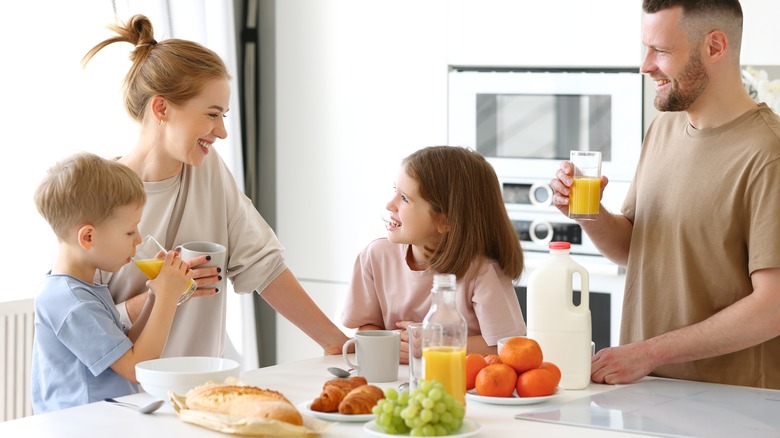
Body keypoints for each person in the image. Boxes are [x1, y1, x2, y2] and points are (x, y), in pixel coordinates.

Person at [81, 15, 349, 358]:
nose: (221, 131)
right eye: (211, 114)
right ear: (161, 108)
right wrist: (166, 291)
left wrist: (338, 344)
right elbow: (81, 325)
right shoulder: (95, 193)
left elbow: (264, 267)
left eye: (224, 115)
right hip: (125, 396)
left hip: (202, 386)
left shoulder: (207, 171)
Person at [550, 0, 780, 389]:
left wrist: (649, 351)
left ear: (714, 47)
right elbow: (635, 248)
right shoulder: (662, 129)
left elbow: (772, 306)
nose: (645, 65)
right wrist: (590, 214)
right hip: (645, 390)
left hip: (731, 407)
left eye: (661, 50)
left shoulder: (767, 153)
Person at [31, 152, 192, 413]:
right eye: (130, 231)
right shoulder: (71, 301)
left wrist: (154, 296)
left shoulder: (82, 288)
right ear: (88, 237)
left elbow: (127, 350)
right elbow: (137, 368)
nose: (138, 239)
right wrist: (167, 298)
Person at [341, 146, 527, 363]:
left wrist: (434, 342)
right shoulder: (376, 256)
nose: (390, 204)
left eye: (404, 198)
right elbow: (366, 327)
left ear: (445, 221)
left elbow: (506, 346)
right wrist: (390, 343)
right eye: (395, 191)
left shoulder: (482, 271)